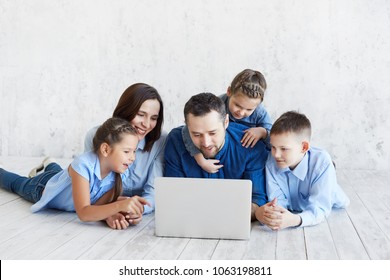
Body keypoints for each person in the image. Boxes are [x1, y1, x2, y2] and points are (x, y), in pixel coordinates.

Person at [0, 117, 150, 230]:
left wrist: (115, 214)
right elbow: (84, 213)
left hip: (64, 181)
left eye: (134, 151)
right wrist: (118, 206)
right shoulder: (83, 164)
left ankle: (50, 163)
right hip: (41, 187)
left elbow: (98, 204)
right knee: (14, 183)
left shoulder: (120, 171)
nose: (132, 158)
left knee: (60, 175)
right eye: (126, 151)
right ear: (105, 149)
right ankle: (49, 166)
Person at [164, 92, 270, 221]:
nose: (206, 143)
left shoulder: (251, 146)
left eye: (212, 133)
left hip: (233, 222)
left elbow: (257, 200)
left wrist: (236, 212)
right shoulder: (175, 141)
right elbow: (173, 197)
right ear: (187, 126)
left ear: (226, 122)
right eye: (197, 135)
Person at [84, 83, 166, 222]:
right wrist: (108, 213)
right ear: (126, 110)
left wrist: (137, 210)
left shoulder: (161, 141)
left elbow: (153, 193)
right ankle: (49, 167)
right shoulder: (95, 135)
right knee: (42, 184)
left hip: (123, 204)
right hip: (63, 185)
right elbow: (90, 192)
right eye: (141, 115)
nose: (146, 124)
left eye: (153, 118)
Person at [256, 111, 350, 229]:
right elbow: (277, 201)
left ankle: (329, 174)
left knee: (327, 184)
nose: (276, 154)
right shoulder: (271, 161)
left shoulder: (322, 162)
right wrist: (272, 214)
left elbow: (320, 208)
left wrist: (296, 219)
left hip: (328, 199)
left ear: (304, 147)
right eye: (273, 147)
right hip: (296, 205)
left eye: (284, 149)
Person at [182, 69, 272, 173]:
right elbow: (187, 130)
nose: (241, 113)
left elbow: (273, 142)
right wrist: (201, 160)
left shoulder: (260, 113)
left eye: (249, 109)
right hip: (221, 152)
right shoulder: (217, 105)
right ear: (229, 91)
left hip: (248, 156)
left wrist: (263, 132)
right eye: (237, 105)